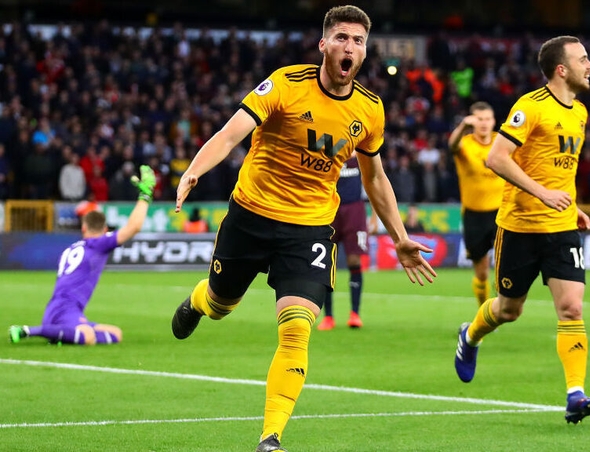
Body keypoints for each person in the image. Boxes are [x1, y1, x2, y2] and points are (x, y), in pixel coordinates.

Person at [168, 6, 437, 452]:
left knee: (297, 328)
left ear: (365, 51)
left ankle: (270, 437)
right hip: (251, 214)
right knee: (221, 304)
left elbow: (375, 178)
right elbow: (231, 133)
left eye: (358, 41)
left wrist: (400, 236)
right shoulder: (287, 84)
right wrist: (193, 171)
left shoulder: (369, 110)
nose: (350, 47)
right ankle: (199, 301)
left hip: (309, 228)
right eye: (342, 38)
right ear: (324, 45)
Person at [453, 35, 590, 424]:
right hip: (518, 227)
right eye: (583, 59)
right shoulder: (530, 107)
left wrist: (573, 206)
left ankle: (575, 394)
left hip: (561, 227)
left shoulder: (580, 113)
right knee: (508, 310)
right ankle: (470, 335)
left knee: (571, 308)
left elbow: (558, 168)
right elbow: (495, 158)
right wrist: (541, 193)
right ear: (561, 69)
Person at [8, 166, 155, 345]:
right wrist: (145, 196)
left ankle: (62, 335)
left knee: (116, 334)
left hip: (60, 309)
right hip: (65, 310)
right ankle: (28, 331)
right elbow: (134, 227)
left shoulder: (71, 248)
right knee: (88, 337)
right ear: (105, 230)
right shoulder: (98, 243)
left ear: (83, 228)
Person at [448, 101, 504, 306]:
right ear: (472, 121)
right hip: (474, 215)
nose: (484, 123)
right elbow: (452, 145)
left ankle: (503, 306)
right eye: (479, 119)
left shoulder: (501, 142)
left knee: (506, 264)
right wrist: (463, 126)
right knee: (481, 272)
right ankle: (484, 309)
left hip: (501, 213)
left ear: (494, 121)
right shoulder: (466, 143)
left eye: (487, 119)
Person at [317, 152, 369, 331]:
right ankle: (328, 316)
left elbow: (375, 179)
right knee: (325, 263)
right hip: (329, 208)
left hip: (355, 209)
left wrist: (376, 215)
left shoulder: (362, 152)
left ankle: (355, 313)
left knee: (354, 260)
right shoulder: (328, 148)